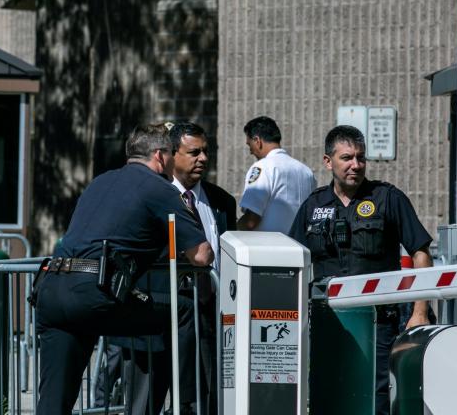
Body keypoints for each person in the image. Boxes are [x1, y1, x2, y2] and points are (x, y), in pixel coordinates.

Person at [34, 124, 213, 415]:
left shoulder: (100, 181)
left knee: (54, 402)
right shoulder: (160, 188)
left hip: (51, 290)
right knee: (184, 310)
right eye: (170, 153)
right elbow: (202, 256)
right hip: (94, 293)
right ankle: (189, 402)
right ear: (159, 155)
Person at [289, 125, 433, 415]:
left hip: (378, 322)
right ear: (328, 161)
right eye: (347, 158)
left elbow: (420, 253)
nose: (356, 165)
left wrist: (419, 312)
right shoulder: (313, 205)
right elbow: (293, 259)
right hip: (329, 323)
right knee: (328, 390)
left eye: (361, 158)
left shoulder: (387, 198)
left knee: (374, 395)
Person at [120, 122, 236, 415]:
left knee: (201, 403)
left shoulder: (222, 201)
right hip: (155, 318)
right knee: (144, 405)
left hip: (204, 320)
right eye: (194, 152)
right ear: (171, 154)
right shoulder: (148, 195)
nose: (203, 158)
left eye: (206, 151)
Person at [237, 116, 316, 232]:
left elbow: (250, 221)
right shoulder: (307, 172)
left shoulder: (262, 167)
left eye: (250, 145)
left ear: (257, 141)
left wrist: (236, 225)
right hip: (301, 247)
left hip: (268, 248)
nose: (250, 151)